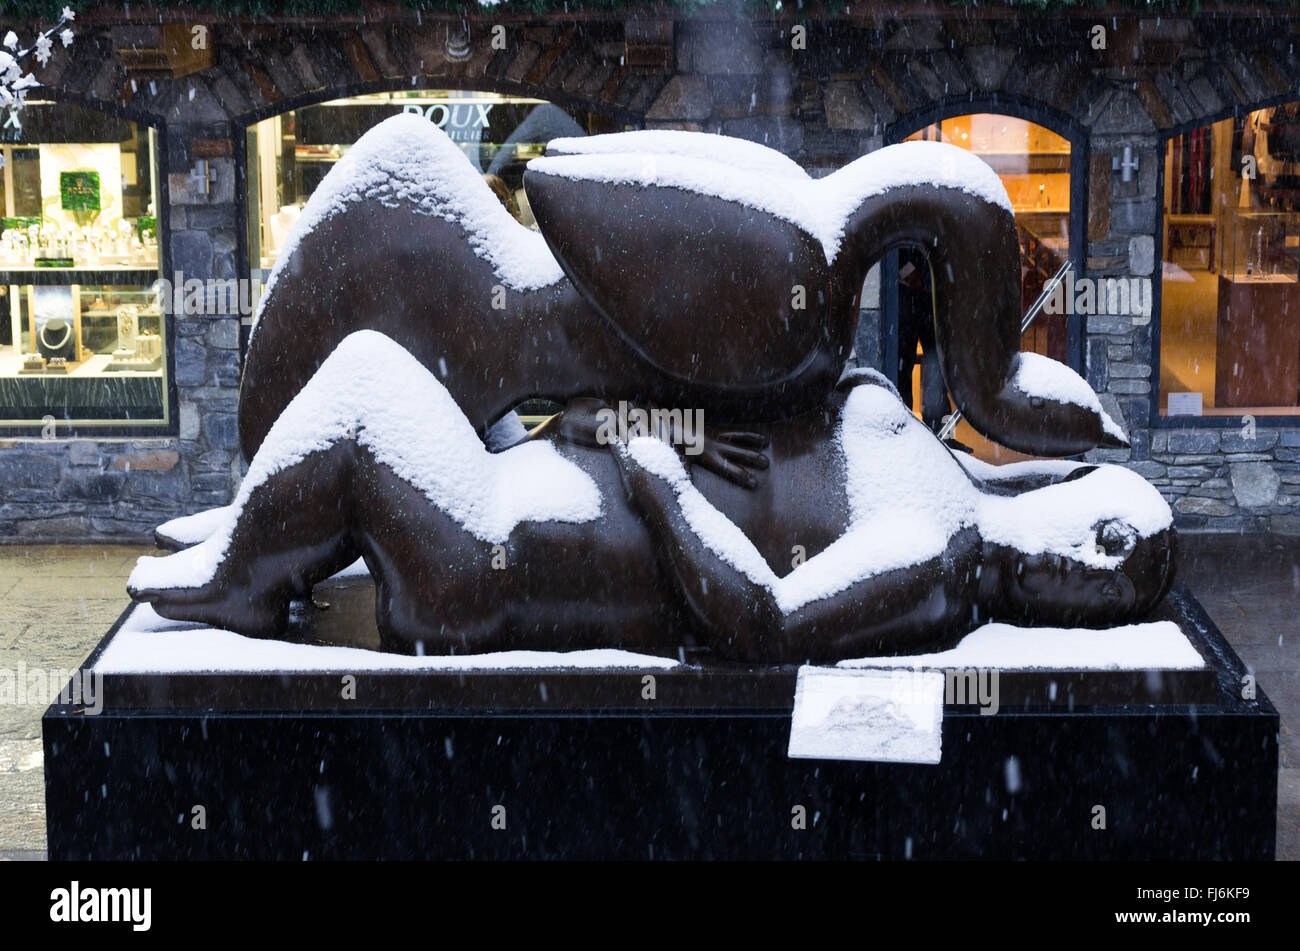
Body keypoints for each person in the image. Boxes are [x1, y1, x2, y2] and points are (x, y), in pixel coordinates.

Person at [129, 331, 1175, 663]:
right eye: (1109, 541)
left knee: (368, 381)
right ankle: (257, 534)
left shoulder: (934, 549)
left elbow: (762, 621)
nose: (1088, 572)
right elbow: (763, 423)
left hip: (498, 565)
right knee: (413, 382)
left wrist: (657, 468)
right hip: (521, 496)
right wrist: (646, 422)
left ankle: (237, 584)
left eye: (1113, 573)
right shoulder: (934, 467)